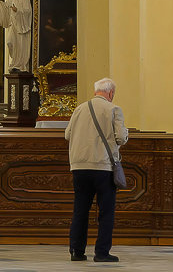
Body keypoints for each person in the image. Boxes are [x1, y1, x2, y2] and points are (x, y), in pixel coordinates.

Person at [64, 78, 128, 263]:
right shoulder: (114, 109)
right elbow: (121, 138)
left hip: (79, 167)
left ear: (96, 91)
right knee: (106, 212)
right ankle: (101, 253)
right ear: (110, 93)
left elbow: (67, 134)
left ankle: (76, 251)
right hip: (103, 167)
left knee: (80, 210)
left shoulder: (79, 109)